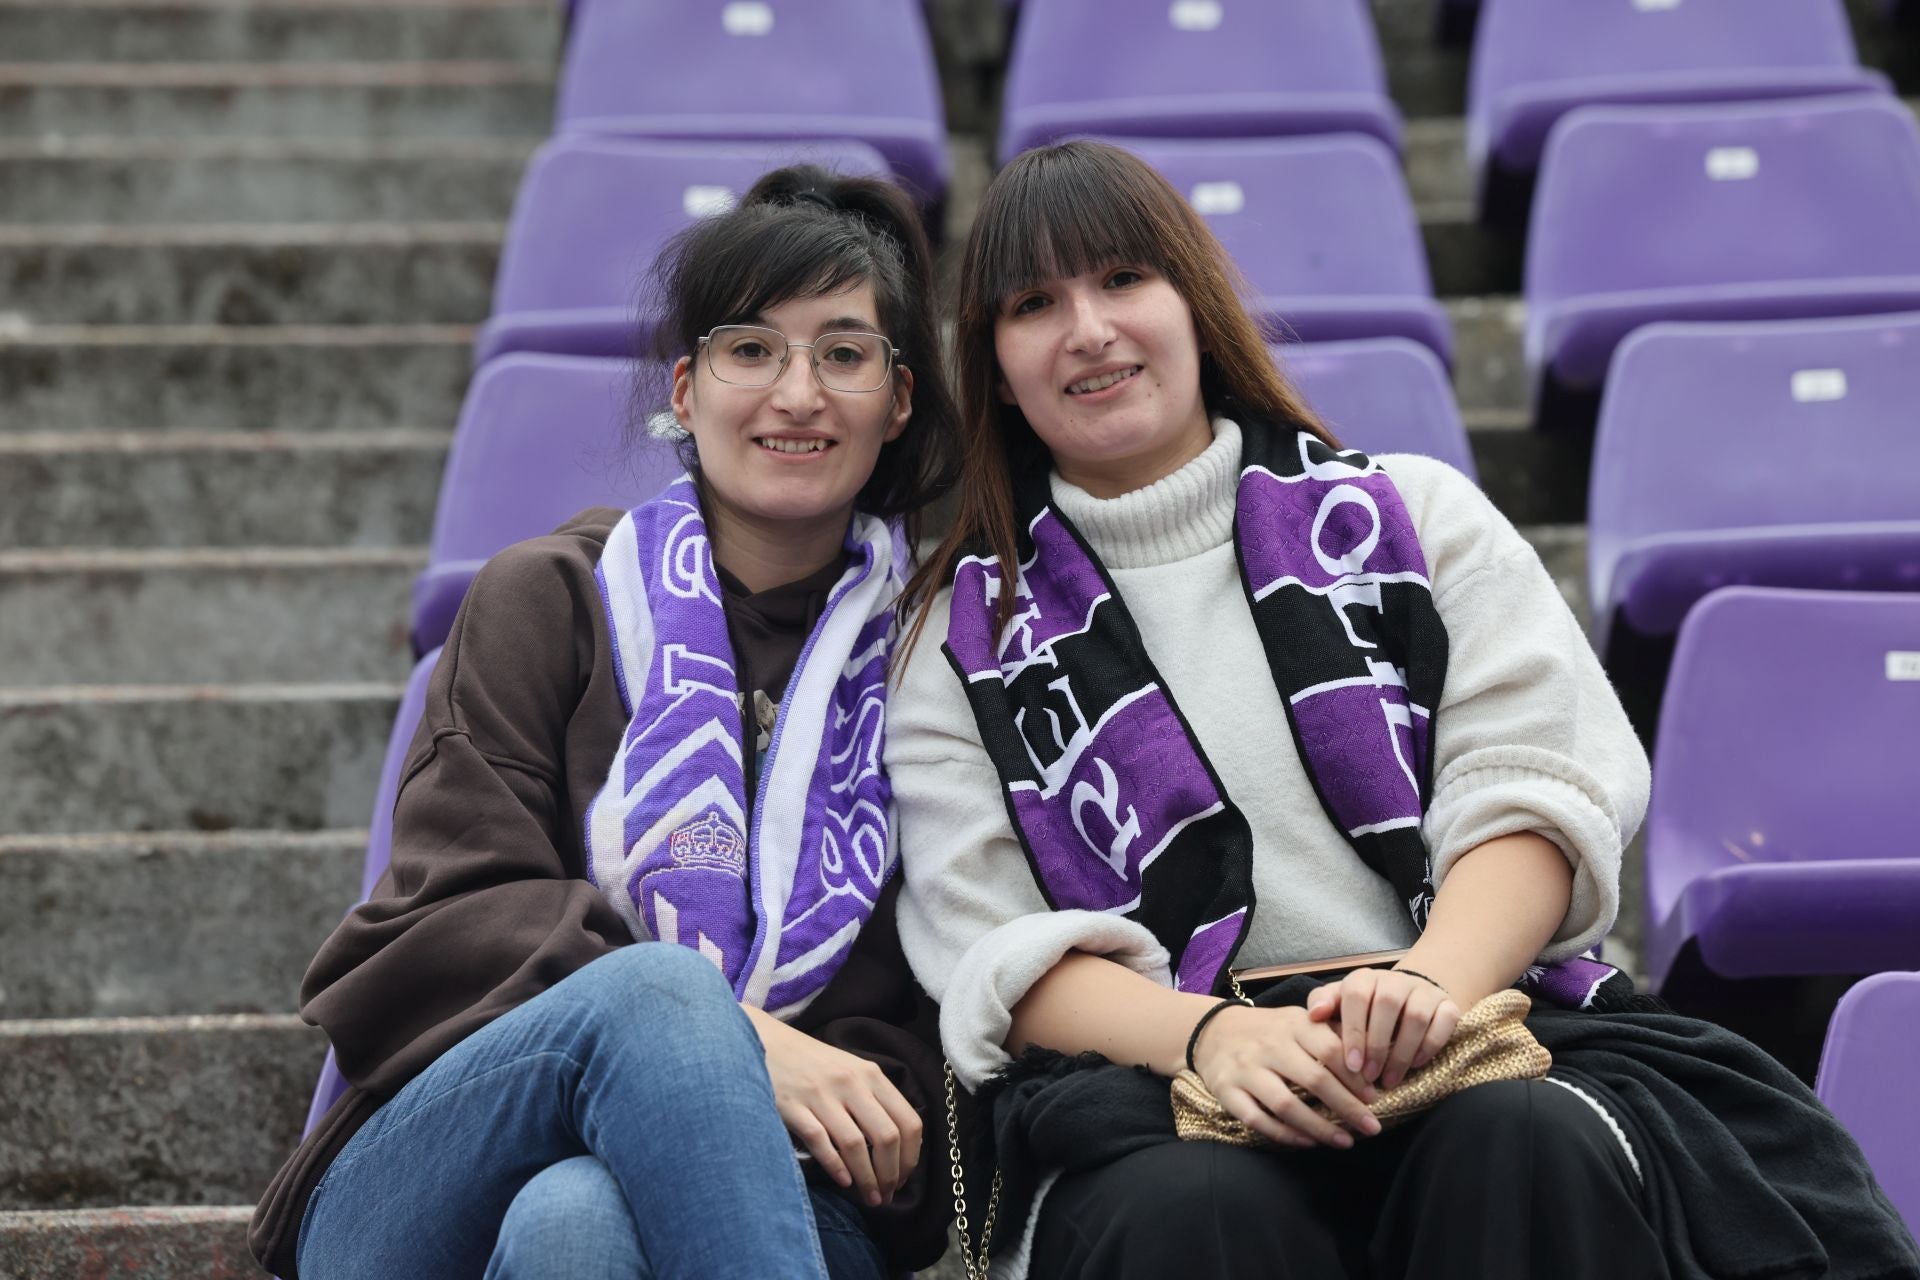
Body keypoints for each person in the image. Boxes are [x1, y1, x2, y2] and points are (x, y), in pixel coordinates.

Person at [886, 140, 1919, 1280]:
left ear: (1195, 305)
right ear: (994, 366)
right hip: (1157, 1084)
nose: (1088, 329)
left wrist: (1429, 986)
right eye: (1034, 304)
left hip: (1475, 1014)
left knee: (1520, 1141)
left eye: (1124, 279)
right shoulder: (955, 639)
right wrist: (1214, 1037)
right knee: (1198, 1210)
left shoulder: (1417, 515)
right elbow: (991, 942)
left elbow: (1532, 786)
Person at [249, 165, 962, 1280]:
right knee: (664, 1000)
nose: (797, 392)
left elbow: (932, 1025)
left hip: (790, 1190)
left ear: (899, 398)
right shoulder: (550, 600)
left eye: (843, 353)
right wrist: (730, 1041)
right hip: (441, 1162)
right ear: (685, 388)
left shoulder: (933, 655)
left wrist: (764, 1088)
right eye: (751, 349)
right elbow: (447, 922)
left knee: (576, 1220)